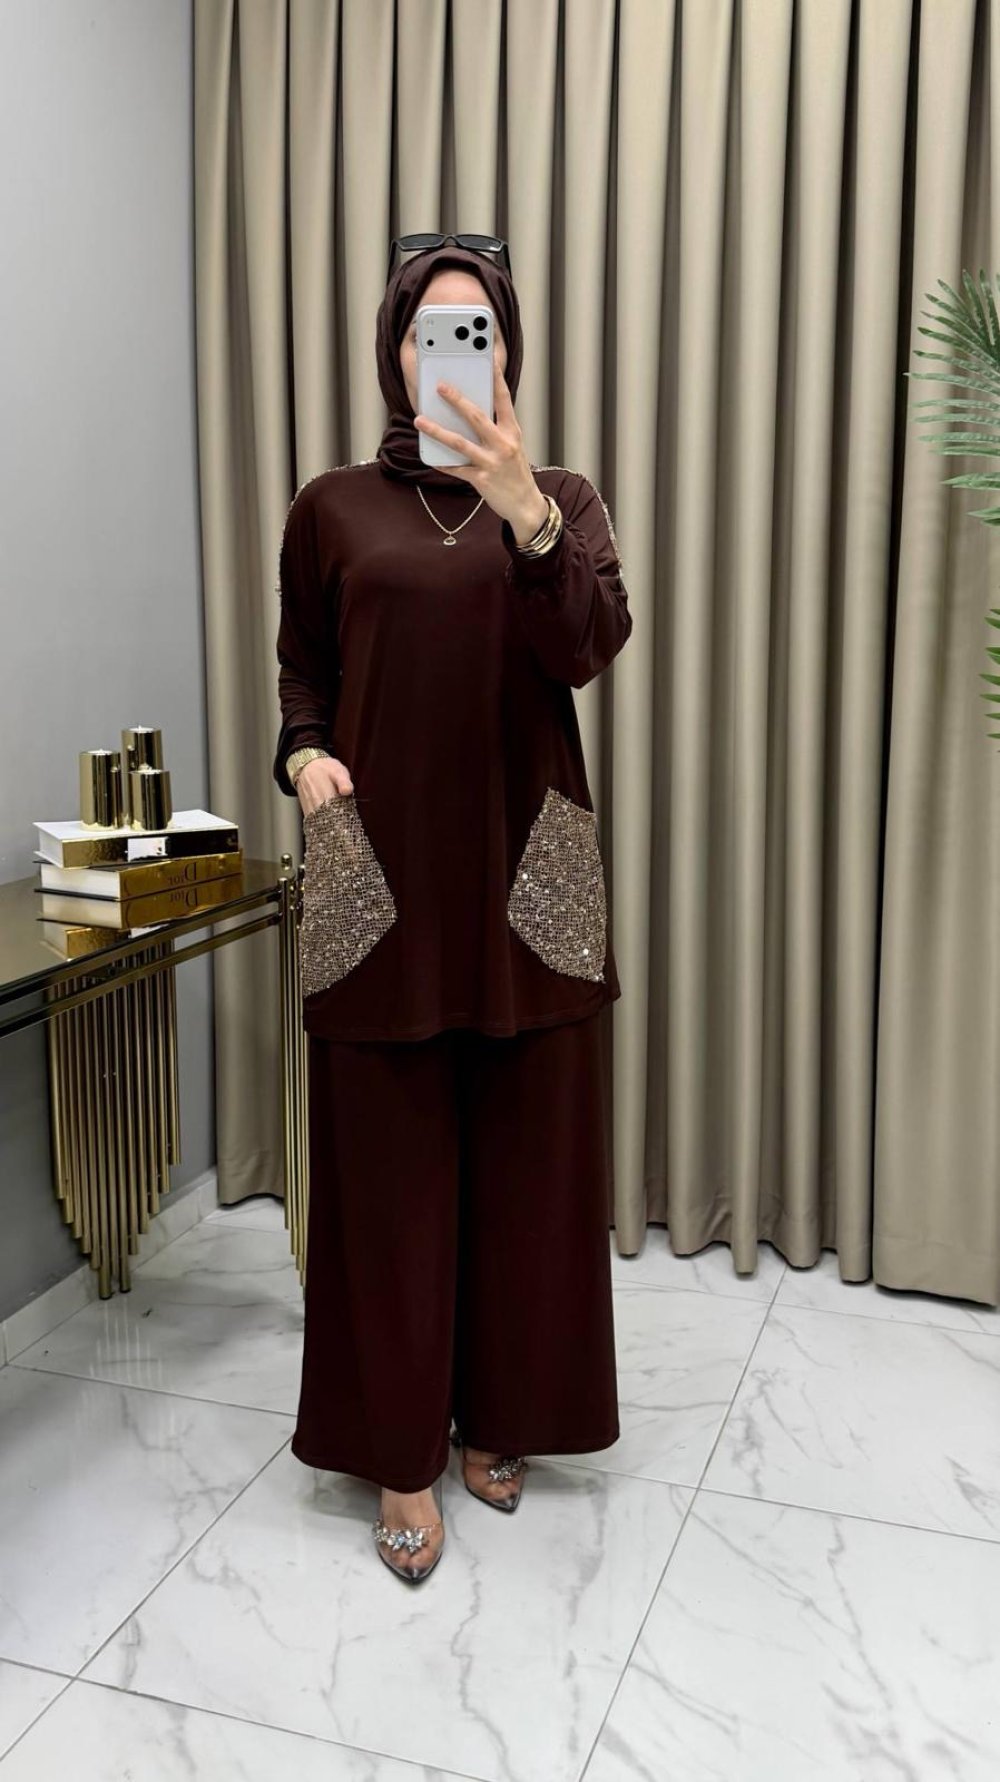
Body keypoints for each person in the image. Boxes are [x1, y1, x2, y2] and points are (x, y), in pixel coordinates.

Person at [272, 237, 633, 1583]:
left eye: (477, 329)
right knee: (385, 1172)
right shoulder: (330, 508)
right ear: (396, 351)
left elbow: (586, 646)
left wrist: (522, 507)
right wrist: (304, 759)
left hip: (533, 866)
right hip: (375, 867)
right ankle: (397, 1447)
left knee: (531, 1166)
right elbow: (304, 675)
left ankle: (507, 1415)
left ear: (509, 353)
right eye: (433, 330)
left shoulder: (563, 500)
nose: (453, 351)